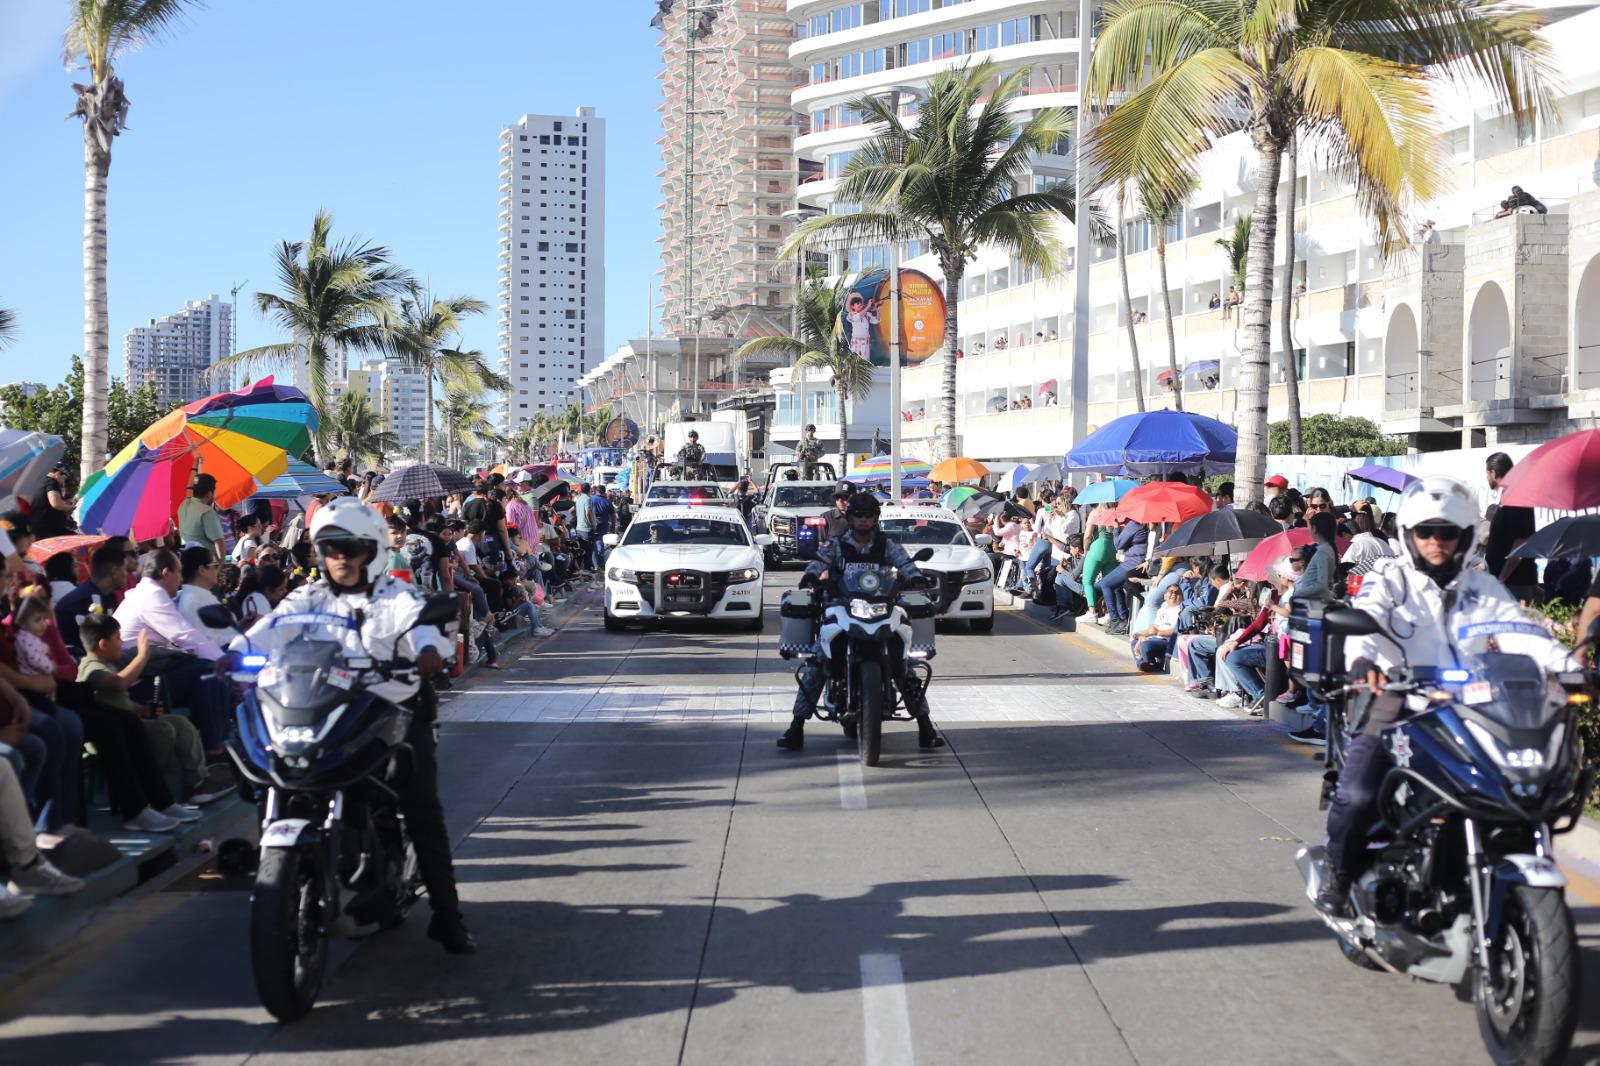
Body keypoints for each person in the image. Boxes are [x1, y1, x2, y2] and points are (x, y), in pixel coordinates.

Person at [1316, 476, 1578, 917]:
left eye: (1447, 532)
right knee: (1358, 794)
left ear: (1464, 537)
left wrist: (1570, 670)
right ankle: (1340, 874)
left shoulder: (1482, 587)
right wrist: (1365, 664)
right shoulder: (1390, 579)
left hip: (1468, 708)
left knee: (1521, 787)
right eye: (1426, 531)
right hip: (1395, 700)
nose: (1436, 541)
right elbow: (1366, 619)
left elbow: (1522, 632)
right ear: (1409, 536)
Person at [237, 497, 475, 953]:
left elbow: (421, 626)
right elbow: (267, 631)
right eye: (331, 547)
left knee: (421, 808)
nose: (340, 556)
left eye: (350, 546)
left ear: (371, 551)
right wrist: (231, 653)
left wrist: (428, 651)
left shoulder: (394, 594)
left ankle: (448, 916)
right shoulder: (307, 597)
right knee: (272, 767)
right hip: (329, 711)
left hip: (395, 712)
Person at [778, 492, 942, 752]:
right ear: (849, 516)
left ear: (876, 518)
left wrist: (914, 577)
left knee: (903, 666)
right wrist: (811, 577)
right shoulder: (835, 545)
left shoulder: (887, 545)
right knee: (818, 662)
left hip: (882, 608)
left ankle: (926, 728)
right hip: (841, 607)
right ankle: (796, 728)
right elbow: (818, 562)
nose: (863, 520)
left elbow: (905, 564)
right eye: (858, 514)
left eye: (868, 515)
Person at [77, 612, 230, 818]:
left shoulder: (109, 665)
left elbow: (122, 700)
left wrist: (143, 709)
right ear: (103, 644)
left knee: (180, 723)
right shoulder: (91, 668)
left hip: (132, 723)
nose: (121, 643)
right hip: (112, 736)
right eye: (117, 638)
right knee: (162, 730)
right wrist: (142, 656)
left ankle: (197, 781)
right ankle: (156, 787)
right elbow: (118, 683)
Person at [112, 549, 234, 754]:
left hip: (149, 670)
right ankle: (215, 747)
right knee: (210, 671)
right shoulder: (151, 596)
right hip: (138, 681)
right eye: (178, 573)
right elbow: (185, 636)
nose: (181, 579)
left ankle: (219, 741)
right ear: (166, 573)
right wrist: (224, 660)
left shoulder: (146, 593)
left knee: (206, 667)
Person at [1484, 452, 1539, 603]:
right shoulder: (1509, 496)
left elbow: (1520, 542)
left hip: (1514, 584)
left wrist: (1502, 578)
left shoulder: (1516, 497)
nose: (1487, 478)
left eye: (1487, 473)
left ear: (1493, 472)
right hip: (1506, 583)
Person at [55, 544, 130, 653]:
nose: (127, 574)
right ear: (114, 572)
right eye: (124, 569)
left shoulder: (109, 596)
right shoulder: (79, 602)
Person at [178, 474, 227, 559]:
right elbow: (219, 542)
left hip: (187, 558)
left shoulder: (184, 504)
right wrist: (222, 565)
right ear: (209, 494)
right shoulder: (207, 512)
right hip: (205, 561)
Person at [29, 464, 77, 539]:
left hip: (42, 529)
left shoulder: (41, 482)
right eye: (65, 479)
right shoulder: (52, 481)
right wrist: (70, 508)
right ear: (58, 473)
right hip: (49, 531)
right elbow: (56, 503)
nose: (63, 484)